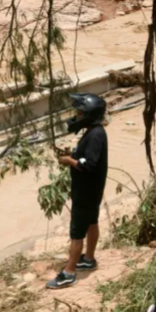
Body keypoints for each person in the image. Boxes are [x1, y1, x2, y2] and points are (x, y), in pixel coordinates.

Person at [46, 93, 108, 289]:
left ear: (89, 115)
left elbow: (89, 166)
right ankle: (88, 259)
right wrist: (74, 156)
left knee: (77, 232)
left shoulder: (95, 135)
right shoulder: (95, 132)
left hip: (86, 192)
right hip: (93, 191)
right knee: (92, 222)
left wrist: (69, 161)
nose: (76, 116)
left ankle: (69, 272)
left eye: (80, 113)